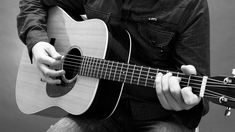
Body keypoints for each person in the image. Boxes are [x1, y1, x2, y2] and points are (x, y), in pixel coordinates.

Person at [17, 0, 210, 132]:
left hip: (159, 117)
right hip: (98, 112)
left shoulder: (189, 5)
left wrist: (187, 102)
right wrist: (38, 43)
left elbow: (197, 89)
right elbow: (34, 2)